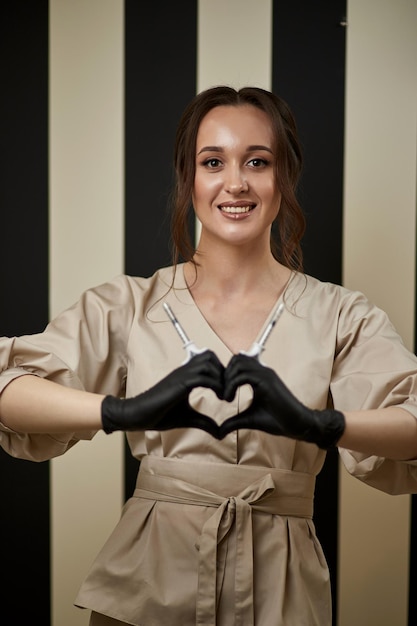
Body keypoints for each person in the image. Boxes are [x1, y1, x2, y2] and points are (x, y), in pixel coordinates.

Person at [1, 85, 417, 626]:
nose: (236, 182)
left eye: (258, 161)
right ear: (189, 179)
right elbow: (8, 391)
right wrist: (119, 412)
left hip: (282, 591)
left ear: (284, 177)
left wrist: (322, 424)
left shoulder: (340, 313)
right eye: (213, 161)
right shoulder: (131, 305)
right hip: (144, 583)